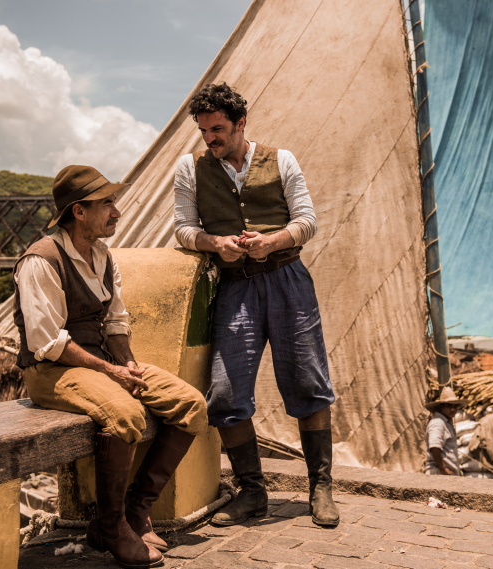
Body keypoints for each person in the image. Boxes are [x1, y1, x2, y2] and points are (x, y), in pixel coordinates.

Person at [14, 165, 209, 568]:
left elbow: (115, 321)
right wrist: (110, 373)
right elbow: (47, 343)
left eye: (113, 202)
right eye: (107, 204)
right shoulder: (41, 260)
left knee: (190, 405)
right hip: (51, 372)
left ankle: (137, 510)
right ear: (78, 212)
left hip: (100, 364)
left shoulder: (103, 255)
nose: (116, 211)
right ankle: (111, 524)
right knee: (126, 414)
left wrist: (129, 365)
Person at [172, 83, 338, 527]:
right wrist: (214, 243)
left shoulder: (282, 160)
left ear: (241, 123)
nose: (211, 139)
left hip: (288, 281)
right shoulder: (189, 169)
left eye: (219, 129)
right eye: (205, 131)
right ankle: (252, 493)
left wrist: (273, 241)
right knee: (225, 394)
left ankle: (320, 487)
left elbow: (307, 221)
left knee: (308, 383)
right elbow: (184, 229)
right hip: (233, 287)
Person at [423, 387, 465, 475]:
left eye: (455, 407)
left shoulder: (446, 423)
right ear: (441, 407)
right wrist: (443, 468)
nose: (453, 409)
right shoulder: (438, 423)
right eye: (449, 406)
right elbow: (434, 447)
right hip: (439, 472)